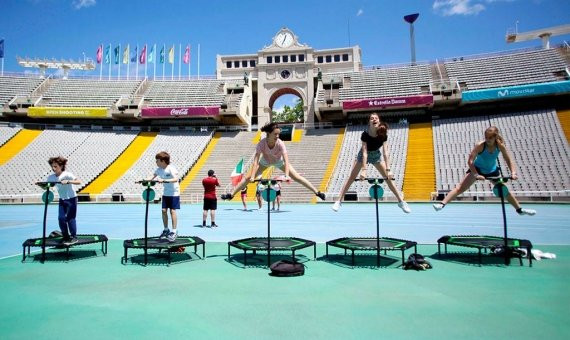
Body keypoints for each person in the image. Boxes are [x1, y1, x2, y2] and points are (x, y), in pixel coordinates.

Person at [433, 126, 536, 215]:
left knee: (504, 190)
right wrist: (476, 174)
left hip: (492, 170)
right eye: (486, 137)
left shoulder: (500, 146)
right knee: (460, 188)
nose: (487, 140)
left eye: (490, 138)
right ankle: (442, 204)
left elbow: (508, 159)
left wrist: (513, 172)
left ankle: (519, 210)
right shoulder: (480, 145)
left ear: (495, 137)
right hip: (477, 169)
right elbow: (470, 161)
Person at [221, 122, 325, 201]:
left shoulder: (280, 143)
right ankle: (231, 195)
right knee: (247, 178)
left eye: (278, 134)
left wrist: (287, 175)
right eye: (275, 134)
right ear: (268, 133)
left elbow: (286, 159)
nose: (277, 136)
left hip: (279, 162)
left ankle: (317, 192)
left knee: (297, 177)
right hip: (264, 162)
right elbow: (256, 161)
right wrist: (253, 176)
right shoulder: (261, 143)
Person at [332, 113, 411, 213]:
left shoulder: (383, 134)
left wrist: (389, 169)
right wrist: (364, 170)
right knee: (351, 178)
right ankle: (338, 201)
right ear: (369, 122)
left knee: (388, 179)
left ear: (379, 121)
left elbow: (385, 152)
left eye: (376, 118)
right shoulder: (365, 134)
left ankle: (401, 202)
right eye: (372, 118)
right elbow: (364, 153)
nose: (374, 119)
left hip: (376, 156)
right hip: (363, 155)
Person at [46, 156, 82, 246]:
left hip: (72, 199)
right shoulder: (51, 177)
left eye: (56, 166)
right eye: (52, 166)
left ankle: (74, 237)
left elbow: (79, 181)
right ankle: (66, 237)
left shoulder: (67, 174)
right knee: (61, 218)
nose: (53, 168)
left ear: (61, 166)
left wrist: (68, 182)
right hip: (62, 200)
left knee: (70, 218)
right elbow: (48, 186)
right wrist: (40, 184)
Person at [146, 151, 180, 242]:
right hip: (166, 193)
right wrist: (143, 180)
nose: (156, 162)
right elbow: (151, 177)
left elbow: (176, 179)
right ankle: (166, 230)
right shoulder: (158, 170)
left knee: (172, 211)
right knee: (163, 210)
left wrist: (164, 180)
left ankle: (174, 231)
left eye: (157, 160)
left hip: (174, 193)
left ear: (162, 161)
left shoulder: (171, 168)